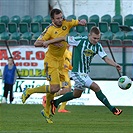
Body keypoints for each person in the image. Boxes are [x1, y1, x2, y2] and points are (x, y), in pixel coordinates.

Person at [21, 8, 86, 123]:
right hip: (51, 61)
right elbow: (37, 43)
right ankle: (30, 91)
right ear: (52, 19)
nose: (60, 20)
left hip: (61, 62)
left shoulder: (67, 23)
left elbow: (77, 21)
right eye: (58, 18)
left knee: (66, 89)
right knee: (55, 88)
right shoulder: (49, 30)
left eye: (61, 17)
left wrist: (81, 22)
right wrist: (54, 42)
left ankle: (46, 111)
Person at [42, 26, 123, 116]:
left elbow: (106, 58)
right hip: (77, 72)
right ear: (89, 35)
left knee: (77, 94)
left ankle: (55, 103)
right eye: (94, 38)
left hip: (85, 73)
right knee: (96, 87)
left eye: (98, 38)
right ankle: (113, 110)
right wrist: (47, 42)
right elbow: (63, 38)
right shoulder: (80, 40)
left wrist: (115, 64)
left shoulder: (98, 46)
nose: (96, 40)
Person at [42, 48, 72, 113]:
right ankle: (47, 98)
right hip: (62, 73)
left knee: (69, 90)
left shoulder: (69, 53)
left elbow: (67, 63)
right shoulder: (61, 51)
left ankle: (62, 108)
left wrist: (70, 67)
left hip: (66, 73)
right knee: (66, 90)